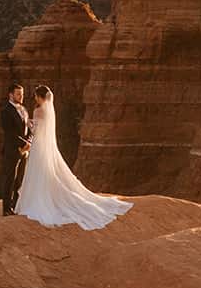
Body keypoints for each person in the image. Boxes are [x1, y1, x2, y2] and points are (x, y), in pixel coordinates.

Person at [14, 85, 133, 230]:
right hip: (45, 146)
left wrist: (27, 123)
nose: (35, 98)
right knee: (45, 171)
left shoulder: (38, 110)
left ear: (40, 97)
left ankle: (37, 200)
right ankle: (48, 197)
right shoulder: (49, 111)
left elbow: (35, 130)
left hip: (38, 146)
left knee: (37, 172)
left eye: (36, 96)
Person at [0, 82, 31, 217]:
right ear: (10, 95)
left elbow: (29, 128)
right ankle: (6, 209)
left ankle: (15, 206)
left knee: (20, 179)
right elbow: (9, 132)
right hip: (12, 150)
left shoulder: (23, 109)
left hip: (25, 150)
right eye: (18, 94)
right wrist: (23, 144)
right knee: (10, 179)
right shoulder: (6, 111)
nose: (21, 96)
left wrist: (29, 141)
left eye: (22, 94)